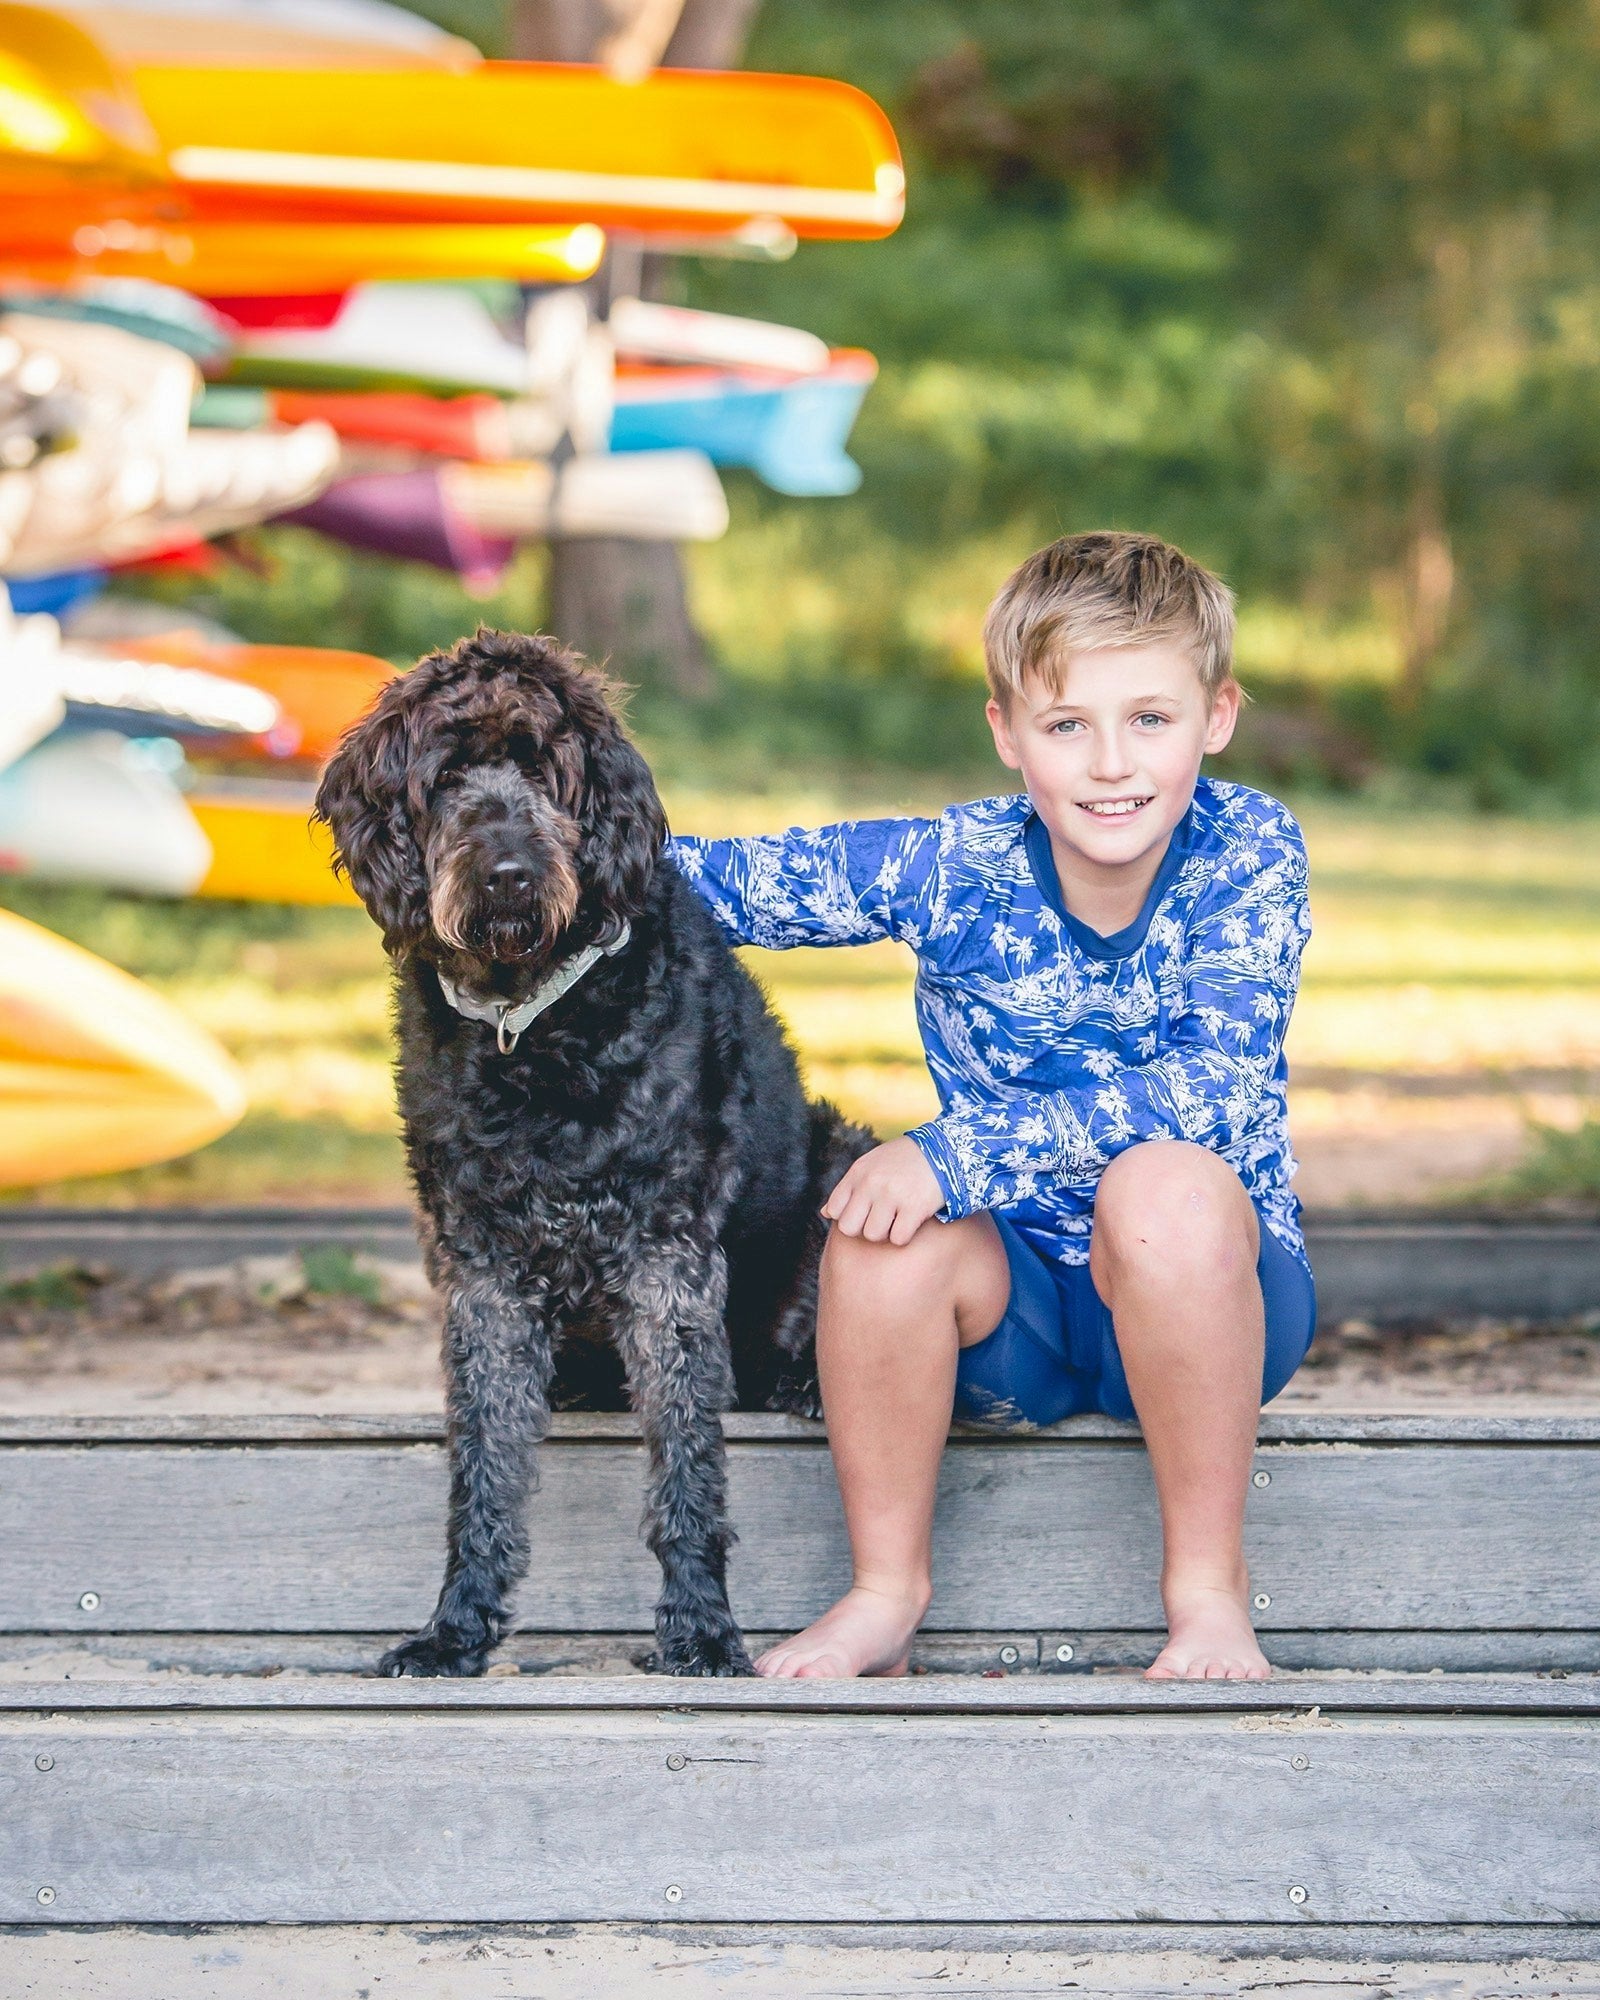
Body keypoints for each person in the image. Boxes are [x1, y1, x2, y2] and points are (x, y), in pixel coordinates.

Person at [670, 530, 1315, 1681]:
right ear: (1007, 732)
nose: (1111, 762)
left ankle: (1207, 1593)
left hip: (1204, 1293)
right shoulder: (952, 861)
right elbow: (719, 881)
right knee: (878, 1223)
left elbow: (1210, 1087)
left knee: (1159, 1182)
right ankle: (883, 1590)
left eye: (1150, 720)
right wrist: (521, 839)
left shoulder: (1248, 848)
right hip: (1009, 1317)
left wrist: (956, 1151)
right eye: (1068, 724)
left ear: (1216, 716)